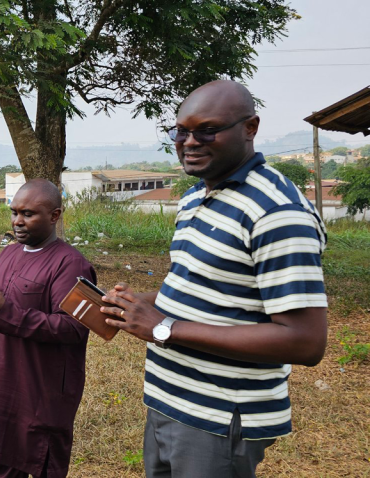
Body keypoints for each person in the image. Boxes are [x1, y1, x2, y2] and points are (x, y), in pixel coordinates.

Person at [99, 80, 328, 478]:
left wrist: (164, 329)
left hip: (219, 418)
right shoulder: (196, 198)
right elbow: (202, 284)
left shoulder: (277, 212)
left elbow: (305, 341)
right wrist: (140, 303)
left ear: (250, 128)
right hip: (167, 401)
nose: (189, 141)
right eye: (181, 131)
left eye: (207, 130)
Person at [0, 179, 97, 478]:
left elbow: (74, 328)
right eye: (14, 212)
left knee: (42, 462)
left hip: (41, 390)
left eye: (28, 214)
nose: (17, 221)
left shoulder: (72, 265)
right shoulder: (10, 253)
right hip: (0, 381)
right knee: (0, 462)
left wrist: (6, 313)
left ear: (54, 215)